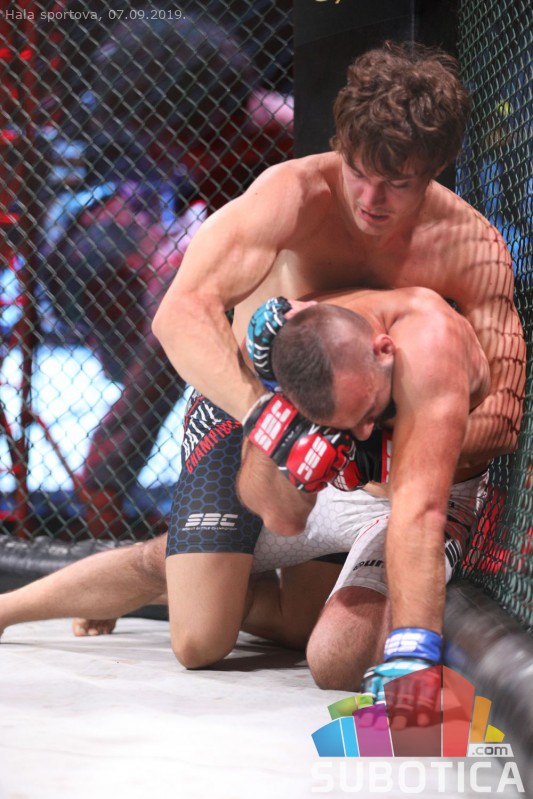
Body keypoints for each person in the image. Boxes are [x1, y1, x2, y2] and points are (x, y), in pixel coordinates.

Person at [149, 42, 525, 685]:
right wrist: (265, 413)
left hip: (367, 428)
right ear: (341, 146)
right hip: (252, 401)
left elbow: (503, 414)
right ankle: (154, 571)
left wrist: (386, 449)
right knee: (200, 639)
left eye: (397, 183)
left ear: (434, 169)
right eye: (358, 171)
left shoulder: (471, 247)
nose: (371, 199)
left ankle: (186, 565)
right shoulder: (293, 194)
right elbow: (180, 313)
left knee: (312, 633)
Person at [0, 286, 497, 679]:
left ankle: (201, 583)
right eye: (353, 422)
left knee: (311, 637)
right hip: (265, 424)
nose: (366, 431)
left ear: (384, 350)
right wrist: (286, 440)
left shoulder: (429, 342)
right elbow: (281, 514)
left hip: (394, 497)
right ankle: (12, 607)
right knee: (198, 640)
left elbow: (422, 509)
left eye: (368, 412)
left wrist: (412, 654)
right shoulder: (295, 357)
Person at [40, 10, 293, 537]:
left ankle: (108, 484)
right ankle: (106, 488)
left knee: (182, 313)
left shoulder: (273, 131)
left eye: (153, 129)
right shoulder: (208, 140)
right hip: (244, 268)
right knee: (174, 317)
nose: (152, 145)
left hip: (299, 269)